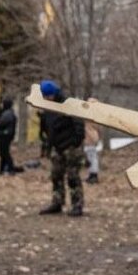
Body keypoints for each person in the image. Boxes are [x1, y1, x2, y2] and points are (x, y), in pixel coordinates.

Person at [37, 80, 86, 217]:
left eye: (49, 96)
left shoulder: (68, 104)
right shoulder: (47, 108)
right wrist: (47, 143)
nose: (47, 99)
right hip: (57, 147)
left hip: (71, 147)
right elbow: (47, 127)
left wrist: (75, 143)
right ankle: (57, 202)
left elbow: (78, 124)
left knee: (73, 177)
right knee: (56, 175)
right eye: (45, 97)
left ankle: (77, 204)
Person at [0, 97, 21, 175]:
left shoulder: (7, 114)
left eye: (2, 103)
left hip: (5, 135)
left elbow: (2, 123)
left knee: (5, 153)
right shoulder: (10, 113)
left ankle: (10, 169)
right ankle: (2, 170)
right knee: (3, 153)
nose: (1, 105)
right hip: (6, 135)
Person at [83, 118, 101, 184]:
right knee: (91, 157)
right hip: (92, 138)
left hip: (90, 139)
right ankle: (91, 175)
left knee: (92, 158)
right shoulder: (93, 121)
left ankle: (93, 175)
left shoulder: (88, 121)